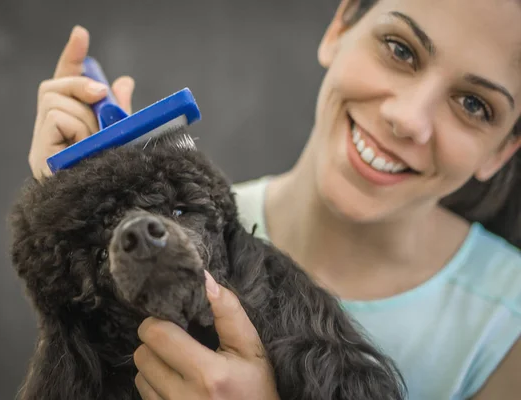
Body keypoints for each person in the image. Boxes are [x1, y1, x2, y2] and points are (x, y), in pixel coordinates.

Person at [27, 0, 521, 398]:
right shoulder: (169, 235)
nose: (409, 118)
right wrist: (78, 211)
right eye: (400, 48)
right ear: (339, 26)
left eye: (474, 105)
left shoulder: (507, 327)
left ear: (502, 150)